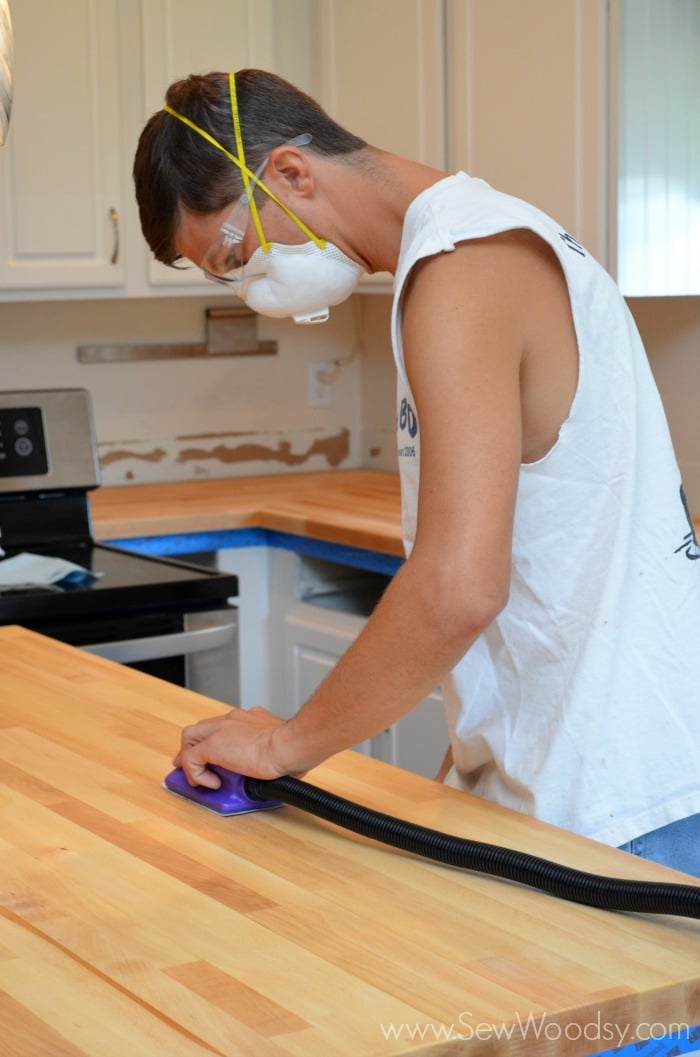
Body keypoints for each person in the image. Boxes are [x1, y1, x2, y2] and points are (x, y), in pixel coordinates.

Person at [133, 69, 700, 876]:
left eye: (237, 253)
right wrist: (465, 769)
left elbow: (460, 587)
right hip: (575, 781)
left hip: (621, 802)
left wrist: (283, 742)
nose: (253, 287)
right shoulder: (453, 260)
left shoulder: (463, 268)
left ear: (291, 173)